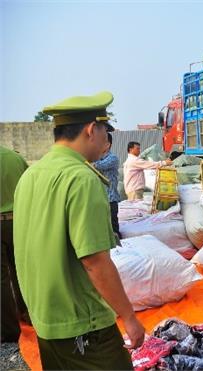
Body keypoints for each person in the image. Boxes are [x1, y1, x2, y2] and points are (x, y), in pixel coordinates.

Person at [13, 91, 145, 370]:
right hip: (84, 326)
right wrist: (129, 318)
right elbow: (95, 262)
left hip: (46, 322)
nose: (106, 140)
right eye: (104, 131)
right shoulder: (82, 179)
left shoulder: (30, 175)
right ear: (90, 130)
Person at [1, 146, 29, 343]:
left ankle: (10, 330)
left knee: (1, 279)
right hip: (19, 220)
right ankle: (29, 314)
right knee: (22, 270)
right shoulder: (14, 158)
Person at [93, 133, 121, 238]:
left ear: (107, 144)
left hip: (110, 199)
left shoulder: (113, 158)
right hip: (100, 199)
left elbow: (96, 166)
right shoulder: (97, 157)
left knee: (113, 229)